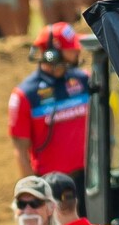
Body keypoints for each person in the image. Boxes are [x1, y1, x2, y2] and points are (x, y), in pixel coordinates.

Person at [7, 23, 89, 180]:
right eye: (71, 48)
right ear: (52, 54)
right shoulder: (24, 95)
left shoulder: (85, 80)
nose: (77, 50)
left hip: (89, 180)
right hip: (51, 184)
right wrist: (35, 192)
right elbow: (20, 150)